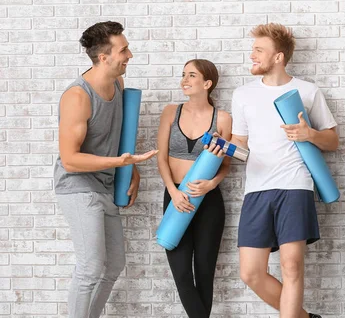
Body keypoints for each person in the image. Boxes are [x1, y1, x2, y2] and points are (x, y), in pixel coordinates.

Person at [229, 23, 338, 318]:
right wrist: (223, 149)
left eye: (258, 50)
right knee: (251, 273)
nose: (252, 55)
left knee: (292, 266)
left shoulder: (307, 91)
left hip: (295, 185)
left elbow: (333, 139)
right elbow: (240, 145)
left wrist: (310, 135)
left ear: (278, 57)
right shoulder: (242, 95)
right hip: (257, 189)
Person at [54, 21, 158, 318]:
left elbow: (119, 133)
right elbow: (70, 159)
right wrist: (119, 163)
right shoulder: (78, 96)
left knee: (113, 265)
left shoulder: (117, 83)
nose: (130, 55)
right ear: (104, 57)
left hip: (106, 184)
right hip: (77, 186)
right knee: (90, 267)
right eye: (124, 49)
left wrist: (131, 171)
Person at [156, 59, 232, 317]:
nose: (184, 80)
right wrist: (173, 191)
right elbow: (161, 158)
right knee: (181, 273)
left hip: (208, 201)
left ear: (207, 83)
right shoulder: (170, 112)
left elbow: (226, 165)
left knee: (204, 271)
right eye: (183, 75)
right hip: (176, 197)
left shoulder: (222, 118)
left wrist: (211, 184)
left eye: (191, 76)